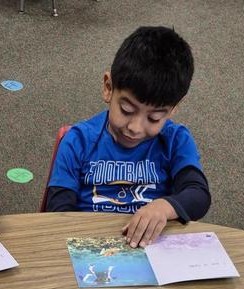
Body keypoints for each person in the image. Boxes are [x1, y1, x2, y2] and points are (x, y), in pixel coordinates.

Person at [44, 26, 211, 248]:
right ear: (108, 87)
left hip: (151, 249)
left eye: (154, 118)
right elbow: (57, 212)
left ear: (173, 110)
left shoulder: (175, 140)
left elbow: (198, 195)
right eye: (126, 110)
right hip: (88, 247)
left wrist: (164, 207)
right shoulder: (79, 140)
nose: (135, 127)